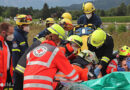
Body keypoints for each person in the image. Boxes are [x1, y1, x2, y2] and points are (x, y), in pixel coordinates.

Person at [23, 24, 79, 90]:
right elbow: (74, 76)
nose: (60, 43)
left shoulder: (32, 52)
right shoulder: (55, 51)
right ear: (56, 38)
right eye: (60, 40)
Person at [12, 14, 32, 90]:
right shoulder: (16, 36)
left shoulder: (22, 35)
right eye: (26, 25)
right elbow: (15, 56)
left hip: (22, 68)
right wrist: (17, 71)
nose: (28, 27)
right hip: (18, 70)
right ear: (20, 25)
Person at [0, 23, 14, 89]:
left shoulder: (5, 43)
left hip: (6, 77)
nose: (12, 35)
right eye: (10, 33)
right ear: (3, 32)